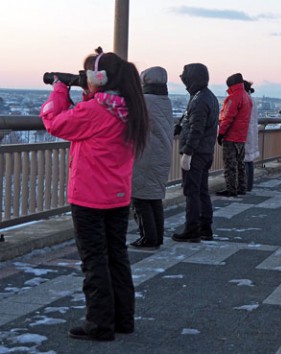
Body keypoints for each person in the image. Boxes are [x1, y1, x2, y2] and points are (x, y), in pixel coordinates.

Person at [40, 47, 149, 341]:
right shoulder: (130, 109)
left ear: (98, 78)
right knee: (117, 256)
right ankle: (123, 319)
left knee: (94, 260)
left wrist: (59, 90)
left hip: (89, 198)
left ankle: (99, 323)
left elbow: (54, 122)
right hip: (118, 196)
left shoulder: (94, 110)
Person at [172, 63, 219, 243]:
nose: (182, 77)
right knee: (202, 191)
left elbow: (196, 129)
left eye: (185, 74)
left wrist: (187, 153)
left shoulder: (199, 100)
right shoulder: (208, 97)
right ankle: (205, 228)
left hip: (196, 153)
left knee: (192, 192)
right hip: (205, 151)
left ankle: (192, 229)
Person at [130, 66, 174, 250]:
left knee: (140, 198)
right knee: (154, 198)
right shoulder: (166, 101)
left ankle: (148, 238)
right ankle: (157, 236)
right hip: (162, 153)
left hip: (145, 155)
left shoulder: (144, 101)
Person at [216, 73, 253, 197]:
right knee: (240, 164)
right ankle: (242, 187)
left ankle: (231, 189)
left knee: (230, 164)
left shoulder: (234, 97)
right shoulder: (247, 97)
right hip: (241, 136)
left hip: (231, 136)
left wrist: (221, 134)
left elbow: (227, 117)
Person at [243, 80, 259, 191]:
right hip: (252, 131)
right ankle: (249, 185)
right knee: (249, 160)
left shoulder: (245, 100)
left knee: (244, 159)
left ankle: (244, 185)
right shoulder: (253, 100)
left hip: (245, 132)